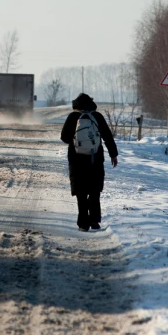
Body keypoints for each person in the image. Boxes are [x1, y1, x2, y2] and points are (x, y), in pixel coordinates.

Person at [60, 93, 118, 232]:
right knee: (94, 190)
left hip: (76, 159)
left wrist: (76, 140)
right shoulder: (97, 116)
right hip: (95, 158)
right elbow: (107, 136)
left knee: (80, 191)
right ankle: (94, 220)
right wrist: (113, 154)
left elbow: (64, 137)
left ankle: (83, 223)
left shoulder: (73, 116)